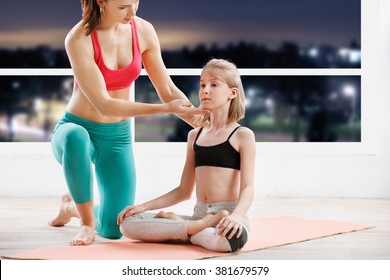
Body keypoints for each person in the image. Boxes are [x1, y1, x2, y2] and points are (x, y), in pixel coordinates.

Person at [48, 0, 208, 246]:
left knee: (115, 228)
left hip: (117, 137)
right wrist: (165, 109)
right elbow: (104, 103)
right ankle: (86, 224)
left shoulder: (143, 30)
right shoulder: (78, 38)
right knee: (76, 136)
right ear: (101, 1)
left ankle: (70, 207)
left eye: (135, 2)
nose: (132, 12)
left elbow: (166, 89)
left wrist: (198, 120)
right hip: (74, 130)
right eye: (123, 6)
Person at [118, 58, 256, 252]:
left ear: (232, 93)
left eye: (214, 85)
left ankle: (183, 230)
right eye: (202, 85)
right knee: (128, 223)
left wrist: (238, 216)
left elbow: (248, 187)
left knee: (231, 241)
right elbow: (184, 190)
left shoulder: (242, 135)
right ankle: (195, 229)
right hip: (199, 217)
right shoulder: (195, 136)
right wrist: (142, 207)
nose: (205, 90)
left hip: (227, 218)